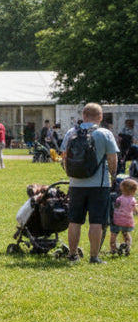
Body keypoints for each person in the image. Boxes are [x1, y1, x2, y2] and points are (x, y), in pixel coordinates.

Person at [62, 103, 119, 264]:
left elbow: (64, 156)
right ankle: (94, 256)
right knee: (96, 221)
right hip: (99, 184)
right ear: (100, 117)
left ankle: (72, 254)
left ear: (83, 116)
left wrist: (71, 174)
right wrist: (113, 175)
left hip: (75, 183)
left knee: (74, 220)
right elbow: (112, 158)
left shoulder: (71, 132)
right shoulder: (105, 133)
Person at [110, 177, 136, 256]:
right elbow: (134, 210)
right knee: (126, 234)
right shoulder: (133, 200)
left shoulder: (119, 199)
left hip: (117, 220)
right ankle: (127, 246)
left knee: (114, 234)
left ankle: (113, 248)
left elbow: (116, 207)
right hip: (127, 221)